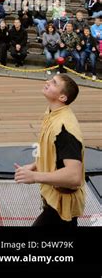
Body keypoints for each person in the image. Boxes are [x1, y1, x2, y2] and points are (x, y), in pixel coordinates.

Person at [14, 73, 85, 226]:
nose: (47, 82)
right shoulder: (52, 113)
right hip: (54, 203)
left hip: (61, 209)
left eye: (54, 83)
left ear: (62, 98)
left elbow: (74, 176)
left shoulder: (65, 130)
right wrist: (35, 165)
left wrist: (34, 176)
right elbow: (54, 153)